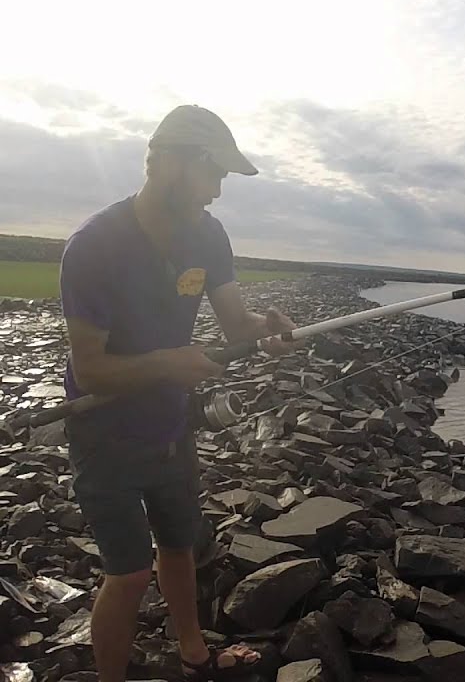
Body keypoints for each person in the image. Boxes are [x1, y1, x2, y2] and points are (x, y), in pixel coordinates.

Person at [59, 104, 298, 682]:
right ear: (168, 163)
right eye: (213, 173)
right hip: (105, 435)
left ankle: (193, 652)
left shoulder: (208, 235)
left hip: (173, 426)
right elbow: (90, 371)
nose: (218, 192)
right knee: (129, 574)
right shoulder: (93, 246)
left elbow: (236, 326)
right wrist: (170, 363)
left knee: (179, 545)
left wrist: (266, 330)